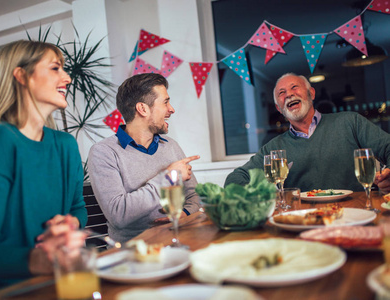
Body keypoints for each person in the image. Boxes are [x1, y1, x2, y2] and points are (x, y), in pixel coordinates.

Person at [0, 40, 88, 300]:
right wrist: (42, 259)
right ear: (22, 76)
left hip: (46, 286)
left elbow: (78, 208)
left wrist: (69, 223)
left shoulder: (66, 146)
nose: (67, 78)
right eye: (55, 68)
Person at [225, 73, 390, 193]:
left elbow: (387, 147)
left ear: (311, 93)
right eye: (281, 93)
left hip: (356, 211)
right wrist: (252, 196)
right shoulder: (273, 149)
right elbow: (237, 178)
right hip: (303, 220)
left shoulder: (350, 122)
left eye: (294, 88)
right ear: (278, 108)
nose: (289, 94)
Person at [88, 73, 200, 243]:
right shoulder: (104, 152)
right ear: (142, 109)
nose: (171, 109)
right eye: (165, 102)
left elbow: (195, 196)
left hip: (179, 242)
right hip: (134, 254)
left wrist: (183, 214)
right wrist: (168, 178)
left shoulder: (171, 146)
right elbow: (119, 214)